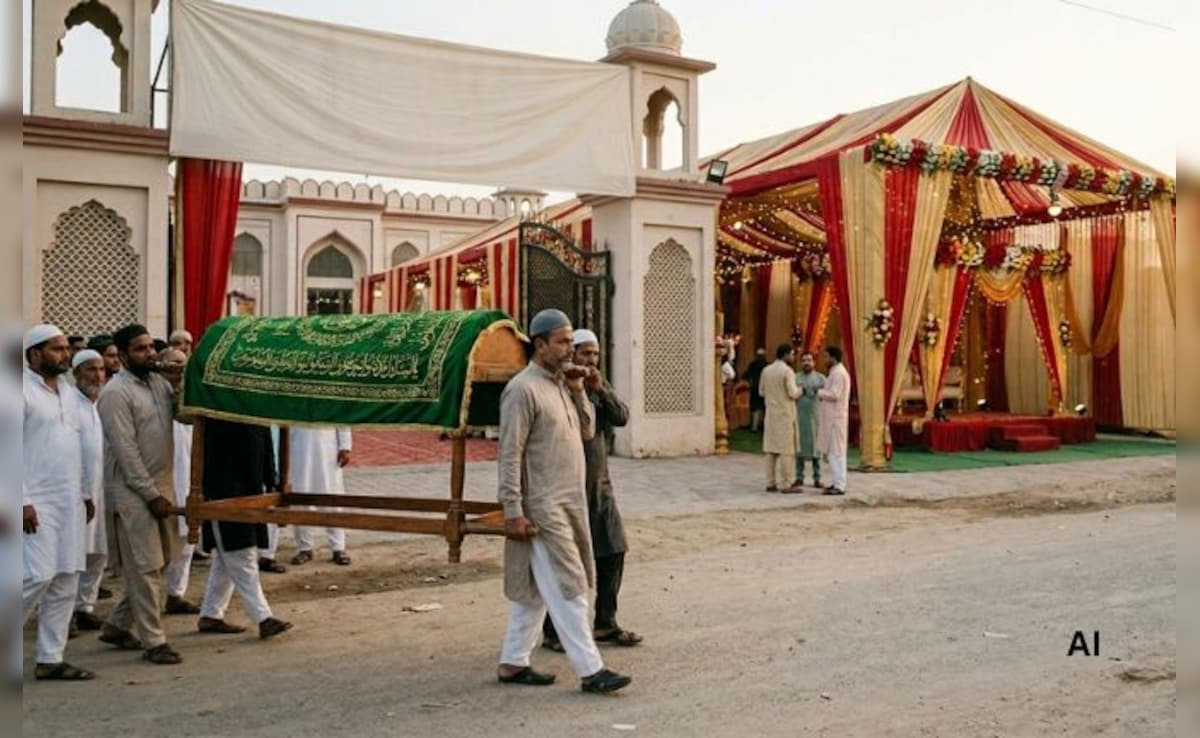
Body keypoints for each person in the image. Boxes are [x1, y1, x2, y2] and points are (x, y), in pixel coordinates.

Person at [496, 309, 632, 694]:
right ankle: (591, 670)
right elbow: (509, 456)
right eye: (562, 342)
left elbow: (589, 430)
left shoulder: (560, 384)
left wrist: (577, 390)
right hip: (542, 507)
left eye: (572, 341)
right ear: (540, 346)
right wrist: (513, 511)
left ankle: (512, 662)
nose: (570, 349)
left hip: (569, 502)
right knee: (569, 585)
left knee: (537, 591)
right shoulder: (522, 390)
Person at [542, 329, 640, 653]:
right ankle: (554, 630)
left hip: (600, 484)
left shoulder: (597, 384)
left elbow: (622, 417)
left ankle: (605, 622)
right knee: (566, 561)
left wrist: (601, 390)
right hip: (567, 486)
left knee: (613, 549)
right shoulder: (559, 386)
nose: (590, 360)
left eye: (595, 354)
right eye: (585, 353)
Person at [97, 324, 184, 665]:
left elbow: (183, 418)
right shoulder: (116, 394)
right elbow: (125, 452)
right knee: (146, 568)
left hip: (160, 487)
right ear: (121, 355)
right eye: (140, 349)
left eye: (150, 347)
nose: (149, 353)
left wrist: (182, 383)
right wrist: (149, 495)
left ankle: (117, 626)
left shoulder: (158, 383)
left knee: (154, 564)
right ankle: (154, 641)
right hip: (133, 492)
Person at [21, 325, 95, 680]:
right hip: (34, 501)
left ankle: (50, 658)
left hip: (69, 500)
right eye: (56, 349)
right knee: (36, 576)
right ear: (34, 353)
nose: (64, 355)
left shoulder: (67, 392)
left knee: (67, 577)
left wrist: (84, 493)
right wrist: (19, 500)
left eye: (66, 348)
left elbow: (76, 446)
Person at [195, 419, 293, 639]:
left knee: (228, 558)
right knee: (242, 556)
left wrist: (272, 481)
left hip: (250, 491)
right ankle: (263, 618)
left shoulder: (254, 412)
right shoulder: (219, 416)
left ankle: (211, 614)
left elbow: (266, 447)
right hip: (224, 493)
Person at [69, 350, 109, 632]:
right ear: (76, 374)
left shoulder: (103, 404)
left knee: (99, 553)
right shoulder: (68, 404)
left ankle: (85, 607)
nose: (97, 375)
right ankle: (65, 613)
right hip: (74, 491)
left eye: (101, 370)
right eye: (90, 370)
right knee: (72, 556)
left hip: (104, 489)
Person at [164, 346, 202, 616]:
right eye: (173, 364)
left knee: (188, 539)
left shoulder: (192, 398)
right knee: (162, 543)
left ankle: (175, 594)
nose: (178, 369)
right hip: (161, 479)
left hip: (189, 477)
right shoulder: (154, 394)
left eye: (183, 364)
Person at [288, 426, 352, 566]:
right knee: (301, 498)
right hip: (299, 449)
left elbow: (341, 414)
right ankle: (304, 548)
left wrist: (345, 446)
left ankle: (338, 548)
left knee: (332, 499)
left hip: (328, 451)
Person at [759, 344, 801, 492]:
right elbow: (792, 393)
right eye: (792, 354)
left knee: (770, 450)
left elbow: (761, 392)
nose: (793, 357)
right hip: (784, 414)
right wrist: (801, 389)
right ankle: (786, 484)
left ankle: (770, 483)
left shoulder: (766, 370)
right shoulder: (787, 371)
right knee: (786, 451)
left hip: (770, 414)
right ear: (785, 355)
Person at [817, 346, 851, 495]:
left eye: (826, 357)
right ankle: (837, 482)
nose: (825, 360)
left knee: (836, 452)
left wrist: (818, 392)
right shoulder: (835, 372)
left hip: (836, 419)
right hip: (832, 418)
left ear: (833, 358)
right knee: (833, 452)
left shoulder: (838, 373)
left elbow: (835, 394)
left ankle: (840, 485)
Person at [792, 352, 826, 489]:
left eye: (809, 360)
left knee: (816, 448)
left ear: (814, 363)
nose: (807, 363)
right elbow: (791, 393)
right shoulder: (795, 377)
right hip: (799, 417)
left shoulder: (821, 378)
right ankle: (799, 477)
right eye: (804, 360)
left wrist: (815, 391)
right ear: (801, 363)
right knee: (799, 447)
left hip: (815, 417)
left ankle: (817, 478)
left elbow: (827, 395)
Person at [744, 348, 768, 432]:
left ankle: (754, 426)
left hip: (755, 388)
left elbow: (746, 375)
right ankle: (763, 426)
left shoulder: (752, 364)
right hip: (764, 389)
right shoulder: (766, 365)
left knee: (755, 408)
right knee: (765, 408)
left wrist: (750, 383)